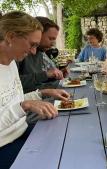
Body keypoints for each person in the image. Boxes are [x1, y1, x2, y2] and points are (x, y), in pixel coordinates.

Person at [0, 11, 70, 169]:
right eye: (32, 45)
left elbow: (12, 101)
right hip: (4, 146)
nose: (33, 52)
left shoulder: (10, 63)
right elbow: (19, 106)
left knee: (67, 135)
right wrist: (24, 106)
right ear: (11, 37)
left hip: (22, 131)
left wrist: (42, 93)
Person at [17, 16, 64, 93]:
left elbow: (37, 80)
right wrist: (45, 74)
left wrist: (55, 76)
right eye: (50, 38)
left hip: (39, 94)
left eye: (54, 39)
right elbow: (14, 84)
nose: (53, 44)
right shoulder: (19, 52)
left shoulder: (40, 52)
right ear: (39, 34)